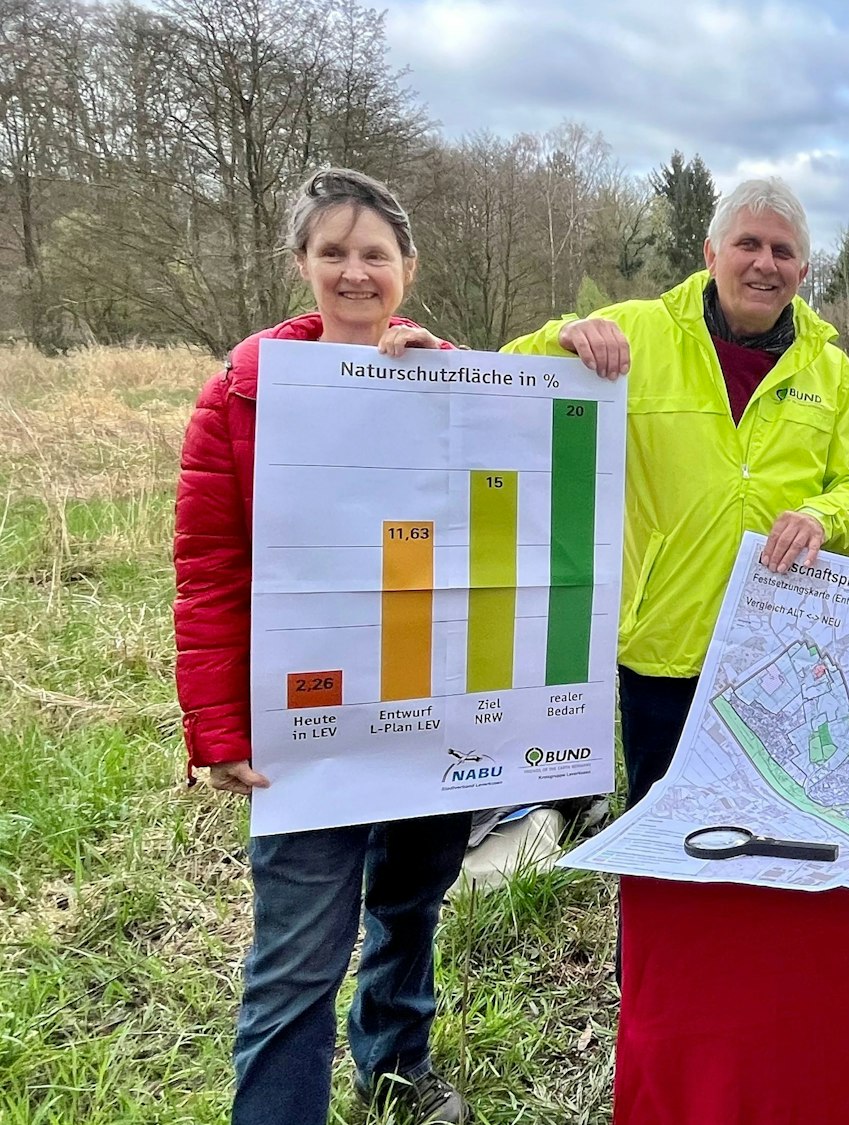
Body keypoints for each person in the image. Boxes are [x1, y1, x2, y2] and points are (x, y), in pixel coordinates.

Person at [174, 168, 470, 1125]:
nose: (354, 272)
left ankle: (396, 1066)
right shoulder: (240, 395)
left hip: (429, 707)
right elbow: (209, 571)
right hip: (306, 722)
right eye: (333, 252)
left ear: (407, 268)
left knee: (410, 906)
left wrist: (448, 385)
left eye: (374, 254)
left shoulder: (451, 381)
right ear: (301, 262)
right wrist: (217, 725)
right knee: (297, 955)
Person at [504, 177, 849, 808]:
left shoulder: (832, 371)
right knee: (660, 822)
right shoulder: (637, 332)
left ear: (803, 271)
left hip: (780, 648)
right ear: (711, 254)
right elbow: (505, 378)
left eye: (783, 252)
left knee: (774, 818)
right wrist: (562, 338)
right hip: (665, 641)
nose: (765, 264)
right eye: (748, 244)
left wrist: (822, 515)